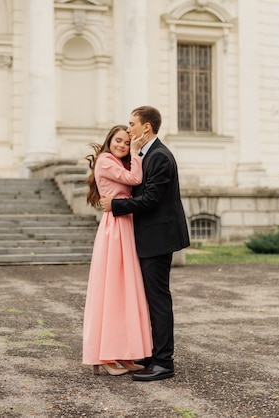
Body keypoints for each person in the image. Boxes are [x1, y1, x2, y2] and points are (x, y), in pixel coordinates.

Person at [100, 106, 190, 382]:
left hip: (158, 238)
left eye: (131, 124)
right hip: (146, 237)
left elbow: (151, 199)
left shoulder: (160, 156)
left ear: (146, 128)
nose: (128, 130)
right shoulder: (143, 154)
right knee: (149, 299)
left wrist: (114, 205)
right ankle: (151, 355)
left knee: (158, 300)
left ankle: (164, 362)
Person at [82, 124, 153, 376]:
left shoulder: (118, 162)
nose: (123, 145)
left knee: (126, 291)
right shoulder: (105, 161)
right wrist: (135, 150)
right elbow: (135, 179)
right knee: (113, 289)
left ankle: (124, 353)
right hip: (116, 228)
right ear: (109, 141)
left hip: (126, 224)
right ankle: (106, 355)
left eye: (127, 142)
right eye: (119, 141)